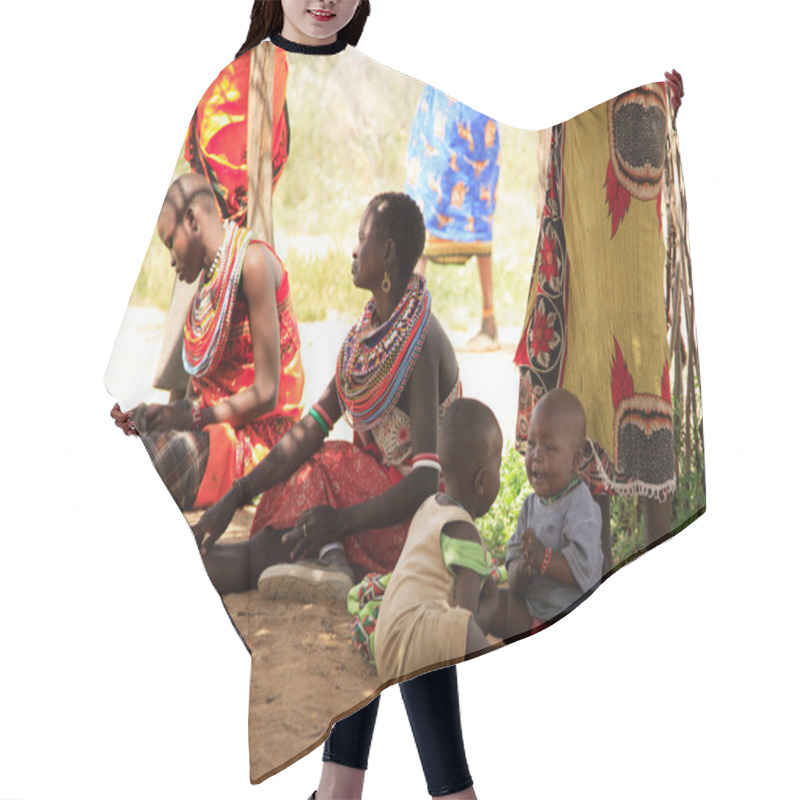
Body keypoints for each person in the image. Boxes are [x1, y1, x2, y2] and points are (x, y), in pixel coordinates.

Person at [514, 71, 694, 571]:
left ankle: (658, 559)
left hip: (630, 95)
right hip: (580, 98)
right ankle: (595, 561)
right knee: (586, 332)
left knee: (635, 332)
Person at [110, 172, 305, 510]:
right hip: (214, 426)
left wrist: (187, 420)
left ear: (192, 220)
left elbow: (266, 393)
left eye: (171, 242)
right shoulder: (209, 281)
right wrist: (171, 414)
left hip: (256, 439)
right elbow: (198, 388)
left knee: (142, 456)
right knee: (130, 422)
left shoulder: (252, 263)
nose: (171, 258)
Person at [374, 398, 504, 685]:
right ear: (482, 481)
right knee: (467, 630)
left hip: (387, 646)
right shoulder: (464, 532)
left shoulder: (430, 506)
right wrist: (493, 606)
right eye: (500, 465)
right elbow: (466, 621)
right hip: (411, 648)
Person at [490, 389, 603, 641]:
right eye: (531, 443)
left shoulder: (580, 504)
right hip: (533, 612)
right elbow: (514, 563)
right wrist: (520, 570)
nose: (536, 455)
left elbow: (583, 571)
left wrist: (542, 558)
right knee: (488, 604)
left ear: (575, 459)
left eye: (549, 447)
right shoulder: (531, 505)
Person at [405, 85, 501, 351]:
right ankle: (407, 319)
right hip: (440, 106)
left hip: (475, 106)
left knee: (476, 207)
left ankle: (488, 320)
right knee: (424, 203)